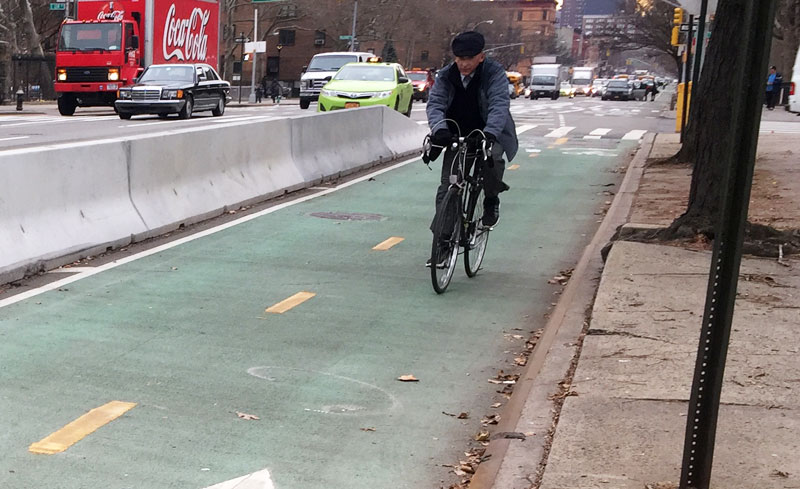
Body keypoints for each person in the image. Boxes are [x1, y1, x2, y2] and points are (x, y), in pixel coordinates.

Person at [425, 31, 518, 232]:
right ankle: (442, 239)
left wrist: (490, 132)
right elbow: (435, 104)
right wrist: (440, 129)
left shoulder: (494, 73)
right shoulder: (446, 76)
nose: (464, 64)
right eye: (460, 59)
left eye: (469, 59)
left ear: (481, 57)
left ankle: (491, 199)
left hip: (489, 131)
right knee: (448, 186)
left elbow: (499, 104)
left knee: (493, 159)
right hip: (458, 133)